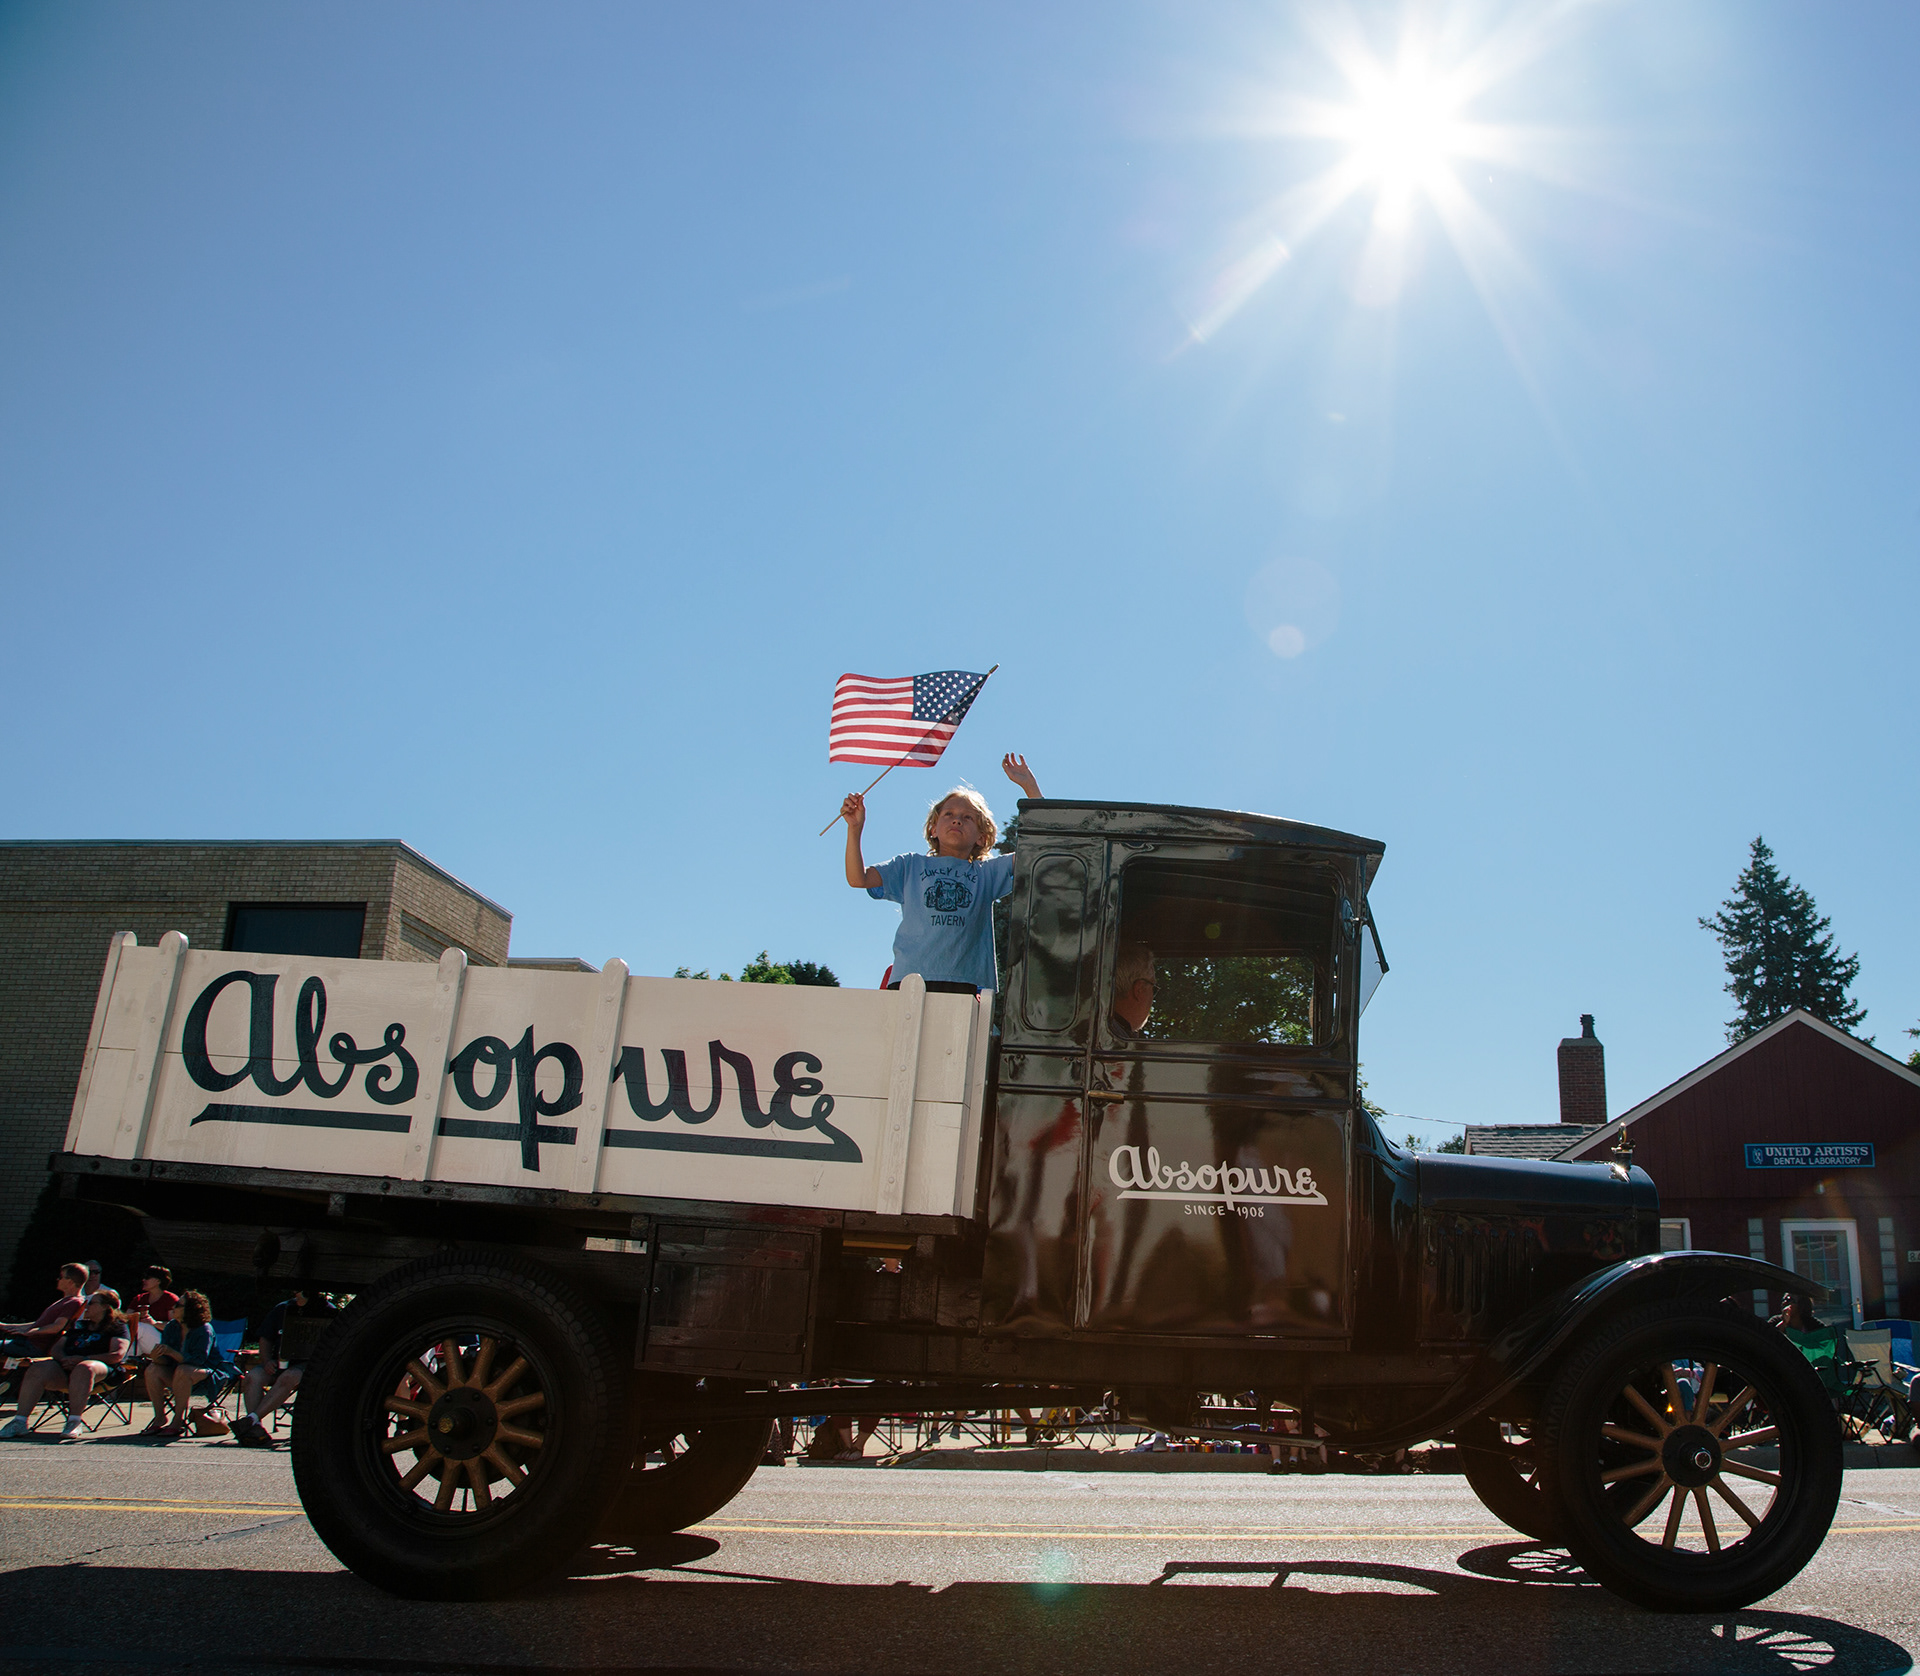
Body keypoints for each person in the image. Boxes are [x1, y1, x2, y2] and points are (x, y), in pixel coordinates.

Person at [841, 754, 1042, 996]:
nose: (957, 820)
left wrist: (1030, 786)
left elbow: (1040, 848)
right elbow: (858, 879)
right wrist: (855, 828)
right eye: (949, 814)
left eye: (968, 818)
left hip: (966, 984)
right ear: (933, 828)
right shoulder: (910, 865)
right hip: (909, 981)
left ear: (981, 836)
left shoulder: (987, 873)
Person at [0, 1289, 131, 1442]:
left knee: (84, 1367)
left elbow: (117, 1354)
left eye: (91, 1303)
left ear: (105, 1307)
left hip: (101, 1370)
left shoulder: (117, 1327)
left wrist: (82, 1358)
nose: (86, 1306)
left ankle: (74, 1421)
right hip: (66, 1368)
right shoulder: (79, 1325)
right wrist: (65, 1359)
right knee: (37, 1368)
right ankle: (20, 1422)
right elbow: (57, 1348)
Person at [233, 1289, 336, 1447]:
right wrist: (267, 1361)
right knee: (253, 1377)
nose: (297, 1293)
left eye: (301, 1290)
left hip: (309, 1366)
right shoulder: (282, 1309)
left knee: (289, 1376)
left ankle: (250, 1420)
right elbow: (265, 1338)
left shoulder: (328, 1311)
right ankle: (256, 1430)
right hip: (279, 1362)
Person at [141, 1291, 232, 1438]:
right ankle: (159, 1417)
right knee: (153, 1369)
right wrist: (157, 1357)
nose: (173, 1307)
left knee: (183, 1370)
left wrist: (172, 1352)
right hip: (178, 1373)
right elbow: (166, 1361)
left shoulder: (204, 1329)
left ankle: (177, 1422)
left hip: (207, 1376)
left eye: (178, 1305)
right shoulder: (172, 1327)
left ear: (190, 1309)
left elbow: (198, 1360)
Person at [0, 1263, 89, 1358]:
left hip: (32, 1348)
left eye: (61, 1277)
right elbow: (40, 1324)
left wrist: (31, 1332)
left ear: (70, 1282)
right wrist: (6, 1326)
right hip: (25, 1343)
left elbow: (57, 1326)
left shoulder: (73, 1302)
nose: (57, 1279)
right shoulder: (66, 1301)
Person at [1774, 1291, 1850, 1398]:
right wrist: (1784, 1323)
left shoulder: (1813, 1324)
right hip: (1784, 1371)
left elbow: (1828, 1345)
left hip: (1811, 1372)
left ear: (1801, 1305)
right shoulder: (1776, 1321)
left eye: (1790, 1300)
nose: (1785, 1302)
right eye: (1784, 1299)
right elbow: (1769, 1339)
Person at [127, 1267, 181, 1356]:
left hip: (164, 1342)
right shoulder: (139, 1298)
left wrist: (154, 1323)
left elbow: (175, 1326)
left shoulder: (170, 1299)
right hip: (139, 1341)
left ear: (158, 1281)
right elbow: (125, 1319)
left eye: (147, 1278)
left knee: (141, 1327)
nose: (143, 1280)